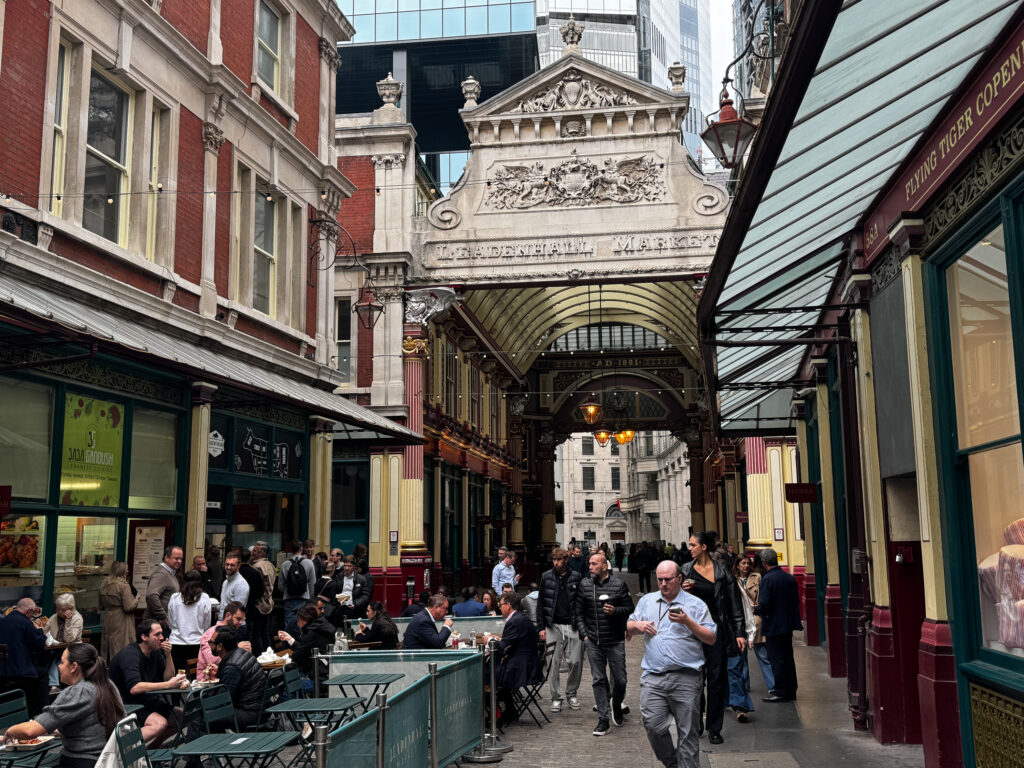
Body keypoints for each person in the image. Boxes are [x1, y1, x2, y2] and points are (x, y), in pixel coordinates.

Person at [627, 561, 717, 768]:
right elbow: (629, 627)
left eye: (668, 579)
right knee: (653, 726)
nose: (663, 584)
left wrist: (688, 622)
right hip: (653, 677)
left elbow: (711, 637)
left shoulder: (696, 605)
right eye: (659, 580)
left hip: (687, 677)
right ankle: (672, 763)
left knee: (688, 733)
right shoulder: (647, 601)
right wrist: (636, 625)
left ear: (679, 579)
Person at [3, 643, 126, 768]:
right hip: (109, 759)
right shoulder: (107, 683)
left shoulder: (78, 691)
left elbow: (30, 731)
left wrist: (9, 732)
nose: (59, 667)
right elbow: (93, 722)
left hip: (83, 761)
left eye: (62, 662)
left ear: (73, 666)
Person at [681, 531, 746, 745]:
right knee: (695, 678)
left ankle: (714, 727)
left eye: (693, 545)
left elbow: (734, 604)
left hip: (717, 630)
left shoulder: (722, 571)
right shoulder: (686, 570)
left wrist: (739, 633)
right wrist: (682, 591)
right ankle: (698, 719)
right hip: (693, 631)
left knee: (717, 680)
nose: (689, 548)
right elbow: (673, 600)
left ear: (704, 547)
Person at [575, 551, 634, 736]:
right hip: (593, 640)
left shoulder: (618, 584)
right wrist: (584, 635)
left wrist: (615, 611)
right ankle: (603, 719)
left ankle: (616, 702)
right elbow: (578, 613)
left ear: (604, 566)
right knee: (598, 679)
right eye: (589, 564)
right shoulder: (585, 585)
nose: (590, 567)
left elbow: (630, 608)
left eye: (594, 564)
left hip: (615, 640)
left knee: (620, 679)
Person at [109, 620, 187, 745]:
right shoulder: (130, 655)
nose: (162, 638)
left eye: (162, 634)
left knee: (182, 716)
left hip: (148, 701)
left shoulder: (155, 652)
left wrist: (168, 656)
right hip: (127, 705)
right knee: (160, 723)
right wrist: (168, 685)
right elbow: (135, 687)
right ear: (144, 637)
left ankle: (150, 751)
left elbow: (167, 677)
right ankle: (120, 748)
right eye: (157, 635)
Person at [536, 547, 582, 713]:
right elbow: (540, 603)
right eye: (554, 560)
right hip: (552, 625)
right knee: (553, 663)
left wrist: (582, 625)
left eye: (559, 560)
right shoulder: (546, 577)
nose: (556, 563)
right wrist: (541, 627)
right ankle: (556, 697)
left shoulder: (576, 576)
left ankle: (571, 693)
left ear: (565, 560)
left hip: (573, 624)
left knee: (575, 661)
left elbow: (580, 603)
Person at [754, 548, 802, 703]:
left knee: (777, 659)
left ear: (764, 562)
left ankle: (781, 690)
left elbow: (765, 603)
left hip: (774, 625)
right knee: (788, 657)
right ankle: (791, 688)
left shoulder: (768, 579)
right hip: (787, 624)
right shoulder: (789, 578)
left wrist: (756, 609)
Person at [731, 556, 774, 716]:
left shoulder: (757, 577)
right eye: (743, 563)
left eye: (748, 563)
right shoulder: (732, 579)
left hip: (755, 618)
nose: (746, 566)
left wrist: (759, 606)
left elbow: (763, 595)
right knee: (741, 657)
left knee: (762, 654)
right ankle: (744, 685)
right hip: (739, 621)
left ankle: (772, 685)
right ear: (737, 565)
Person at [490, 592, 541, 723]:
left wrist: (488, 640)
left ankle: (494, 715)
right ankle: (509, 710)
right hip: (528, 663)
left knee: (486, 674)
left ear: (508, 606)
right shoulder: (520, 618)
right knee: (492, 672)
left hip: (521, 668)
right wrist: (501, 639)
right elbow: (510, 642)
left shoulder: (514, 621)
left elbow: (501, 648)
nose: (499, 607)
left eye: (501, 605)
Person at [210, 627, 266, 729]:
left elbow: (224, 700)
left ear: (220, 646)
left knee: (202, 717)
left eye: (211, 642)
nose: (209, 645)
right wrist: (220, 672)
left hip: (250, 713)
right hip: (260, 708)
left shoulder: (231, 666)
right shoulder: (242, 653)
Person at [0, 597, 47, 714]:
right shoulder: (25, 623)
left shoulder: (3, 621)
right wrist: (40, 630)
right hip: (19, 671)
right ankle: (40, 711)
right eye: (33, 613)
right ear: (29, 611)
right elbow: (39, 644)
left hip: (2, 670)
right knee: (43, 673)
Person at [278, 603, 335, 689]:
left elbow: (298, 657)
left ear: (304, 619)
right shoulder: (322, 627)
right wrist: (290, 639)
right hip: (328, 674)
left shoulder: (312, 633)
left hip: (318, 679)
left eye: (298, 620)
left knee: (287, 687)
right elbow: (304, 650)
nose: (297, 623)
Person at [167, 569, 212, 673]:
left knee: (178, 676)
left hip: (176, 643)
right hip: (196, 643)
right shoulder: (204, 598)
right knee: (194, 676)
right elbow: (207, 624)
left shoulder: (175, 598)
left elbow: (170, 621)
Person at [197, 602, 252, 681]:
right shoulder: (211, 633)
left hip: (227, 678)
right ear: (228, 615)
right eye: (238, 619)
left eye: (242, 620)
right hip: (208, 682)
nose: (241, 623)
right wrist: (236, 650)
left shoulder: (232, 633)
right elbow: (211, 660)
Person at [100, 561, 141, 661]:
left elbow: (100, 605)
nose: (128, 571)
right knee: (121, 646)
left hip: (108, 617)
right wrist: (136, 600)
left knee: (108, 644)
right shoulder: (123, 585)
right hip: (122, 619)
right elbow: (128, 607)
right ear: (122, 571)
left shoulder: (104, 583)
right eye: (126, 569)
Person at [45, 593, 84, 695]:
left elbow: (69, 639)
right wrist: (40, 627)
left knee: (58, 660)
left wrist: (68, 622)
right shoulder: (54, 617)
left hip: (73, 648)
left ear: (70, 608)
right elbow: (45, 632)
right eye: (57, 609)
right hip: (56, 648)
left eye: (62, 610)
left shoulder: (77, 618)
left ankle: (54, 685)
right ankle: (53, 685)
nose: (59, 612)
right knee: (49, 658)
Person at [278, 540, 317, 636]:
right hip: (304, 599)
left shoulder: (285, 564)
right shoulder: (309, 563)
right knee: (304, 625)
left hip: (289, 599)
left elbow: (280, 586)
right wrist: (310, 597)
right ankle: (301, 646)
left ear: (291, 550)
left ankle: (288, 647)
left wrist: (287, 592)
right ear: (301, 549)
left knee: (289, 627)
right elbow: (313, 583)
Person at [144, 545, 183, 627]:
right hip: (157, 624)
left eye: (181, 559)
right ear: (167, 558)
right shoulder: (161, 574)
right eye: (176, 558)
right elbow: (151, 595)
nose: (179, 561)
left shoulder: (171, 573)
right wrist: (162, 615)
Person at [249, 544, 276, 653]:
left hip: (259, 604)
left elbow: (257, 588)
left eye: (255, 550)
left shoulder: (256, 567)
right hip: (269, 603)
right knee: (265, 632)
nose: (252, 552)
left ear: (261, 553)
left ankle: (262, 655)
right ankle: (270, 653)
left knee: (258, 632)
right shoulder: (271, 565)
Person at [332, 555, 370, 620]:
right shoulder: (338, 577)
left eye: (349, 566)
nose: (346, 568)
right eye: (345, 565)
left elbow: (365, 596)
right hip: (340, 607)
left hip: (354, 609)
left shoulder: (361, 579)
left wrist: (355, 603)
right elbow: (333, 592)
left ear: (354, 567)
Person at [219, 553, 249, 621]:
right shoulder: (225, 582)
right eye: (227, 564)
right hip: (224, 622)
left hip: (234, 625)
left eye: (232, 565)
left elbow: (238, 610)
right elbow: (224, 604)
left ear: (239, 566)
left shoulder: (241, 584)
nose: (229, 567)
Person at [238, 549, 265, 625]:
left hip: (235, 607)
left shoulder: (235, 573)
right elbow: (260, 592)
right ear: (250, 558)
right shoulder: (255, 573)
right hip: (250, 606)